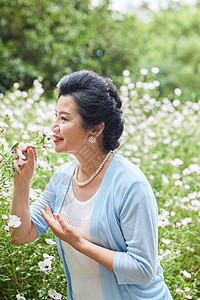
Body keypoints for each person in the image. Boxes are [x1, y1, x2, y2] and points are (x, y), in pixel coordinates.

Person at [10, 70, 172, 300]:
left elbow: (144, 270)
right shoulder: (62, 178)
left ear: (96, 129)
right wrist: (22, 182)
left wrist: (78, 243)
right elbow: (20, 235)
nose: (53, 127)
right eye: (55, 116)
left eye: (64, 119)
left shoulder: (131, 185)